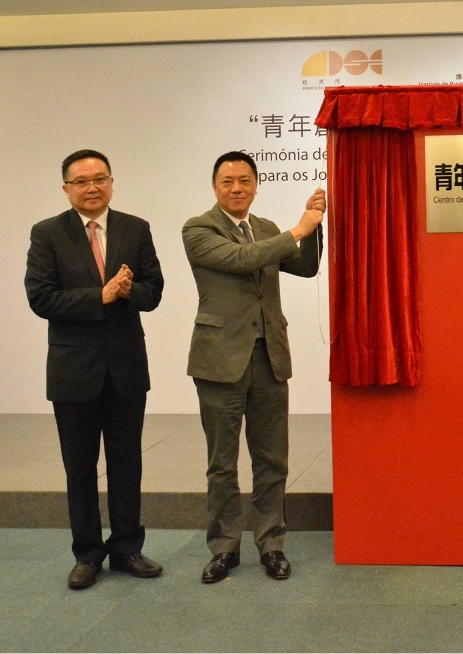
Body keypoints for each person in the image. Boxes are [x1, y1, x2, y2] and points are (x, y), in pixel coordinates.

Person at [25, 149, 165, 589]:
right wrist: (99, 296)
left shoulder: (135, 228)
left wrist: (127, 292)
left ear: (112, 182)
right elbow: (40, 298)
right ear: (66, 189)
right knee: (80, 468)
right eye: (81, 181)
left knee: (126, 464)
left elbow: (154, 290)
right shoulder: (48, 233)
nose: (92, 188)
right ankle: (87, 554)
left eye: (100, 179)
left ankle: (127, 549)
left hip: (125, 368)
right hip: (73, 370)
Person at [183, 150, 324, 584]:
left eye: (245, 180)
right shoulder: (198, 229)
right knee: (222, 464)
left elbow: (305, 267)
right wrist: (298, 229)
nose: (237, 188)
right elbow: (242, 259)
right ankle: (224, 548)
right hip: (219, 360)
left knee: (271, 460)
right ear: (214, 187)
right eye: (228, 181)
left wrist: (315, 224)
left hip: (269, 358)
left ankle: (271, 543)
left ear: (256, 186)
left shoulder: (264, 228)